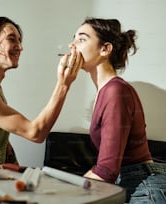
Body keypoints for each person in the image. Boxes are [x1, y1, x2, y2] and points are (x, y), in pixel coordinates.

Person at [0, 16, 83, 165]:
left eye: (19, 41)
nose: (20, 47)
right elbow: (35, 133)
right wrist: (63, 84)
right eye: (12, 39)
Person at [70, 17, 166, 203]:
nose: (71, 45)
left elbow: (107, 169)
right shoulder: (106, 91)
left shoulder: (115, 91)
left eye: (81, 39)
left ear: (105, 49)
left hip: (144, 187)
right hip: (129, 183)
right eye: (73, 38)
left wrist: (66, 194)